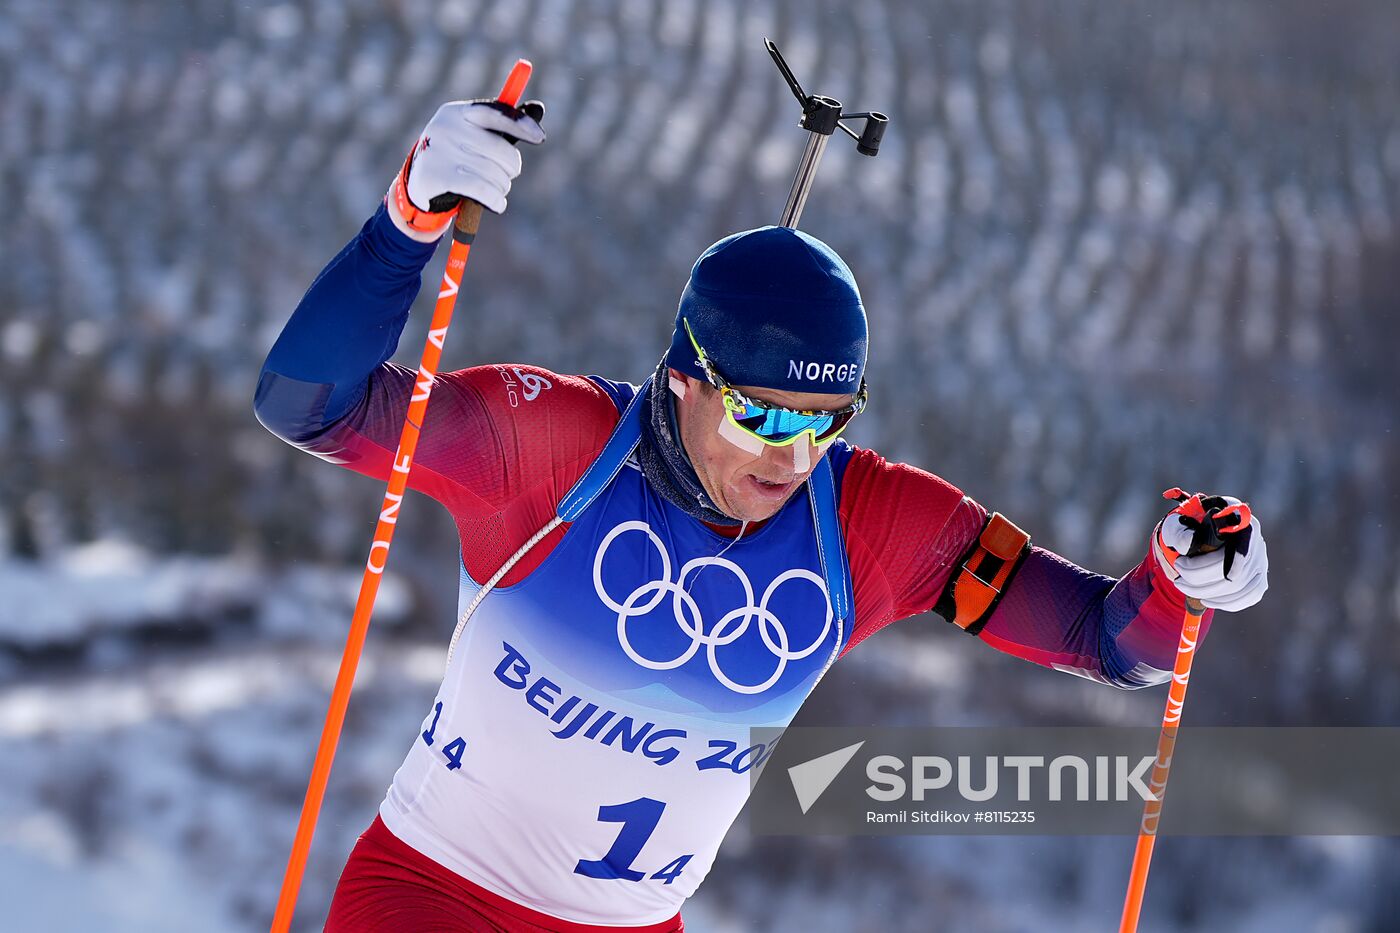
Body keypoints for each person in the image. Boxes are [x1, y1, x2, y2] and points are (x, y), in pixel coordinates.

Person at [254, 98, 1269, 932]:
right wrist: (406, 220)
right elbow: (308, 405)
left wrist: (1180, 584)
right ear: (685, 377)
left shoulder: (872, 523)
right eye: (762, 413)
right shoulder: (554, 446)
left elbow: (1113, 645)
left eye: (827, 422)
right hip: (432, 897)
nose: (792, 456)